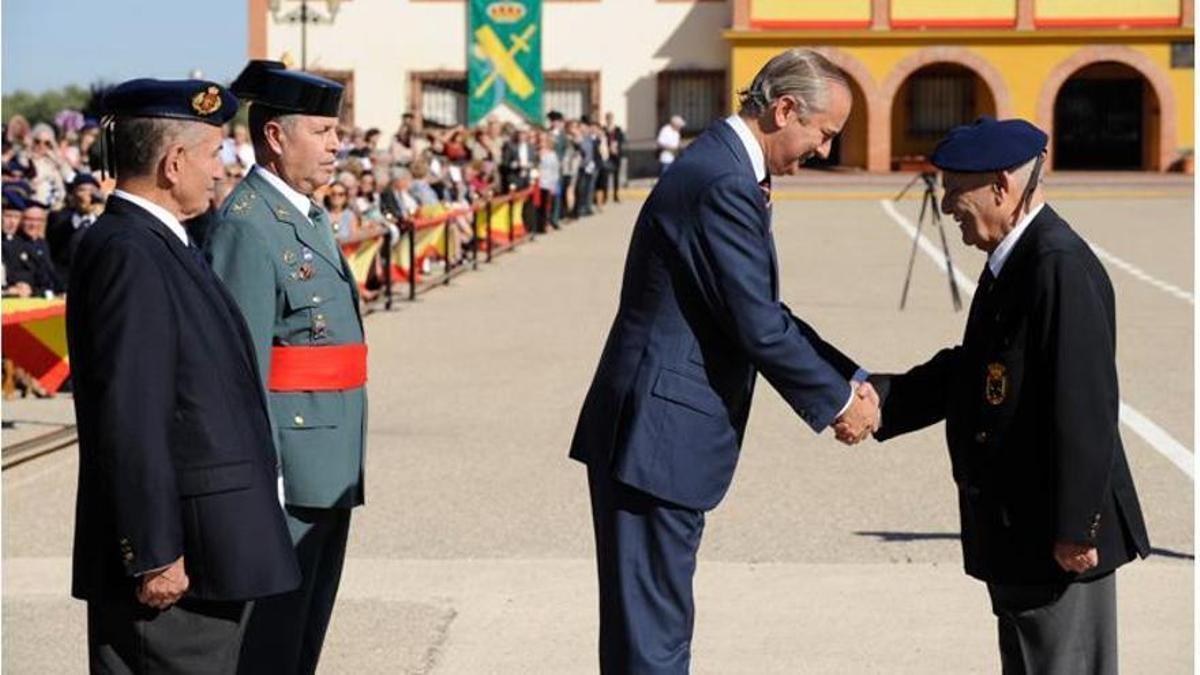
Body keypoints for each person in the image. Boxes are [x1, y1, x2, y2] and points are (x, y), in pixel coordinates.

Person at [569, 48, 879, 674]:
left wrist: (849, 379)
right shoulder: (722, 181)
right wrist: (841, 403)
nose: (822, 150)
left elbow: (759, 308)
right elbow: (757, 324)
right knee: (652, 640)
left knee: (650, 629)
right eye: (823, 134)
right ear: (785, 109)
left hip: (657, 436)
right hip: (655, 440)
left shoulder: (727, 169)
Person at [862, 117, 1151, 675]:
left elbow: (1084, 402)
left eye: (954, 190)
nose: (947, 207)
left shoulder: (1055, 266)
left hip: (1056, 540)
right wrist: (881, 398)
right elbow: (974, 369)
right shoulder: (1017, 261)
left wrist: (1075, 527)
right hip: (1020, 530)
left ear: (1001, 185)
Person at [66, 77, 300, 674]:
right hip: (178, 560)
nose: (222, 169)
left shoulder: (160, 241)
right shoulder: (129, 251)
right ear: (173, 163)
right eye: (214, 153)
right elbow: (132, 412)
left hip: (206, 547)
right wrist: (153, 551)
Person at [205, 60, 367, 675]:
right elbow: (239, 369)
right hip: (289, 475)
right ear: (276, 136)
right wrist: (259, 479)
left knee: (303, 638)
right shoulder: (249, 227)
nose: (336, 145)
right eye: (323, 132)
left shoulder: (307, 215)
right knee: (272, 644)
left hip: (327, 462)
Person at [47, 172, 104, 280]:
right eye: (82, 190)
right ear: (73, 194)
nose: (89, 194)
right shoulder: (60, 220)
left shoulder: (103, 222)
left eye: (92, 190)